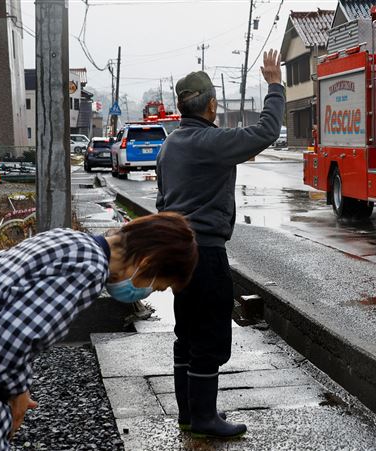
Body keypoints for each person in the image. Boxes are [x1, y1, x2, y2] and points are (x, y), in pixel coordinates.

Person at [0, 213, 198, 450]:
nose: (150, 292)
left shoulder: (66, 240)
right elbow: (6, 339)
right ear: (147, 262)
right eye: (159, 285)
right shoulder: (88, 269)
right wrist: (17, 393)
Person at [155, 49, 284, 439]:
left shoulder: (170, 146)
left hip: (178, 255)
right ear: (212, 104)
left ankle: (189, 414)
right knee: (210, 337)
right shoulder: (211, 142)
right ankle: (205, 419)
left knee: (187, 335)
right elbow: (265, 131)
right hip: (206, 255)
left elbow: (162, 202)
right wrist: (275, 83)